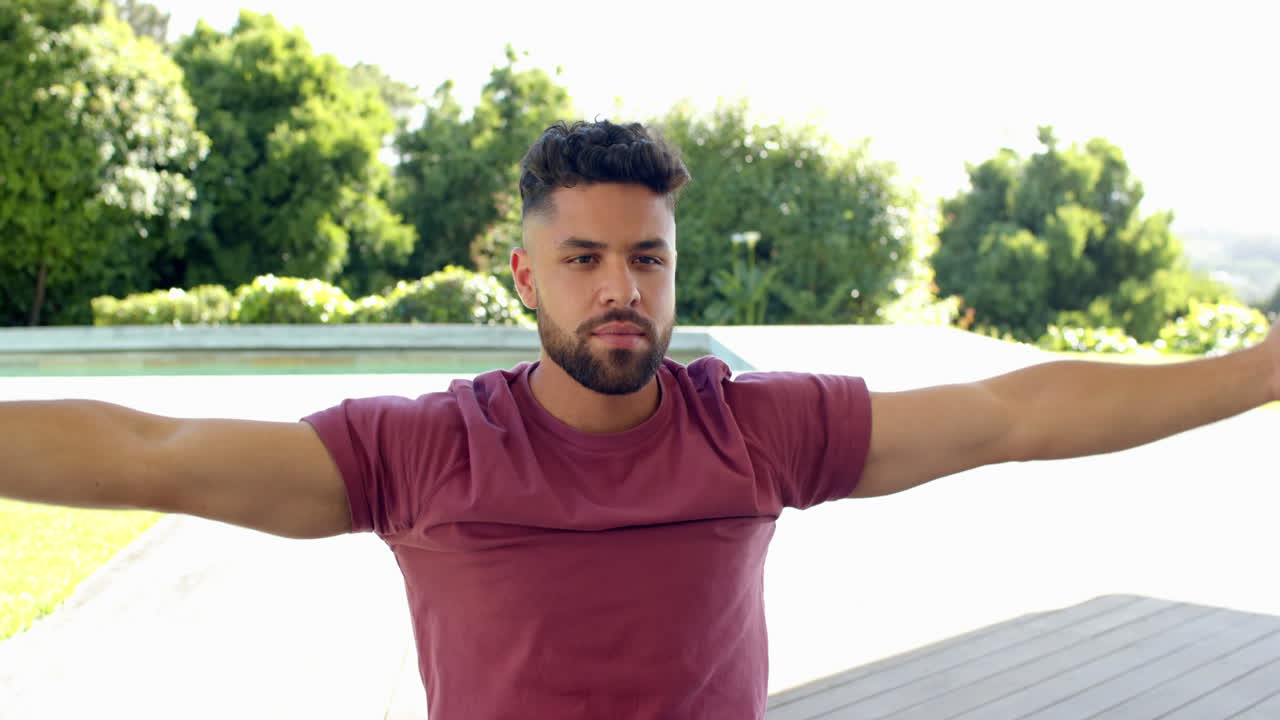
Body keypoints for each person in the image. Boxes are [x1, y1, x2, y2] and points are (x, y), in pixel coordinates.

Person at [2, 119, 1276, 719]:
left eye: (648, 261)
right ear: (525, 274)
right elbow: (147, 452)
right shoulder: (424, 451)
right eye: (584, 260)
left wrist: (1258, 372)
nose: (620, 290)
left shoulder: (755, 432)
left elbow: (1008, 411)